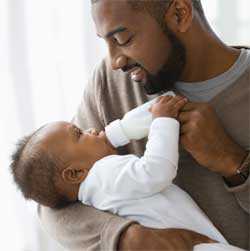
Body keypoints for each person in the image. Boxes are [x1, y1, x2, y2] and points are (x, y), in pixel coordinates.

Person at [38, 0, 250, 250]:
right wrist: (127, 238)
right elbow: (53, 198)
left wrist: (233, 162)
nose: (115, 61)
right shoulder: (111, 82)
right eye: (105, 42)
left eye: (123, 39)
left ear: (180, 14)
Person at [11, 96, 245, 251]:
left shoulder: (94, 195)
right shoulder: (104, 174)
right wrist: (164, 120)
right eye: (79, 133)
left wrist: (125, 127)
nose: (92, 129)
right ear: (74, 174)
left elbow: (149, 114)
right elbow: (156, 171)